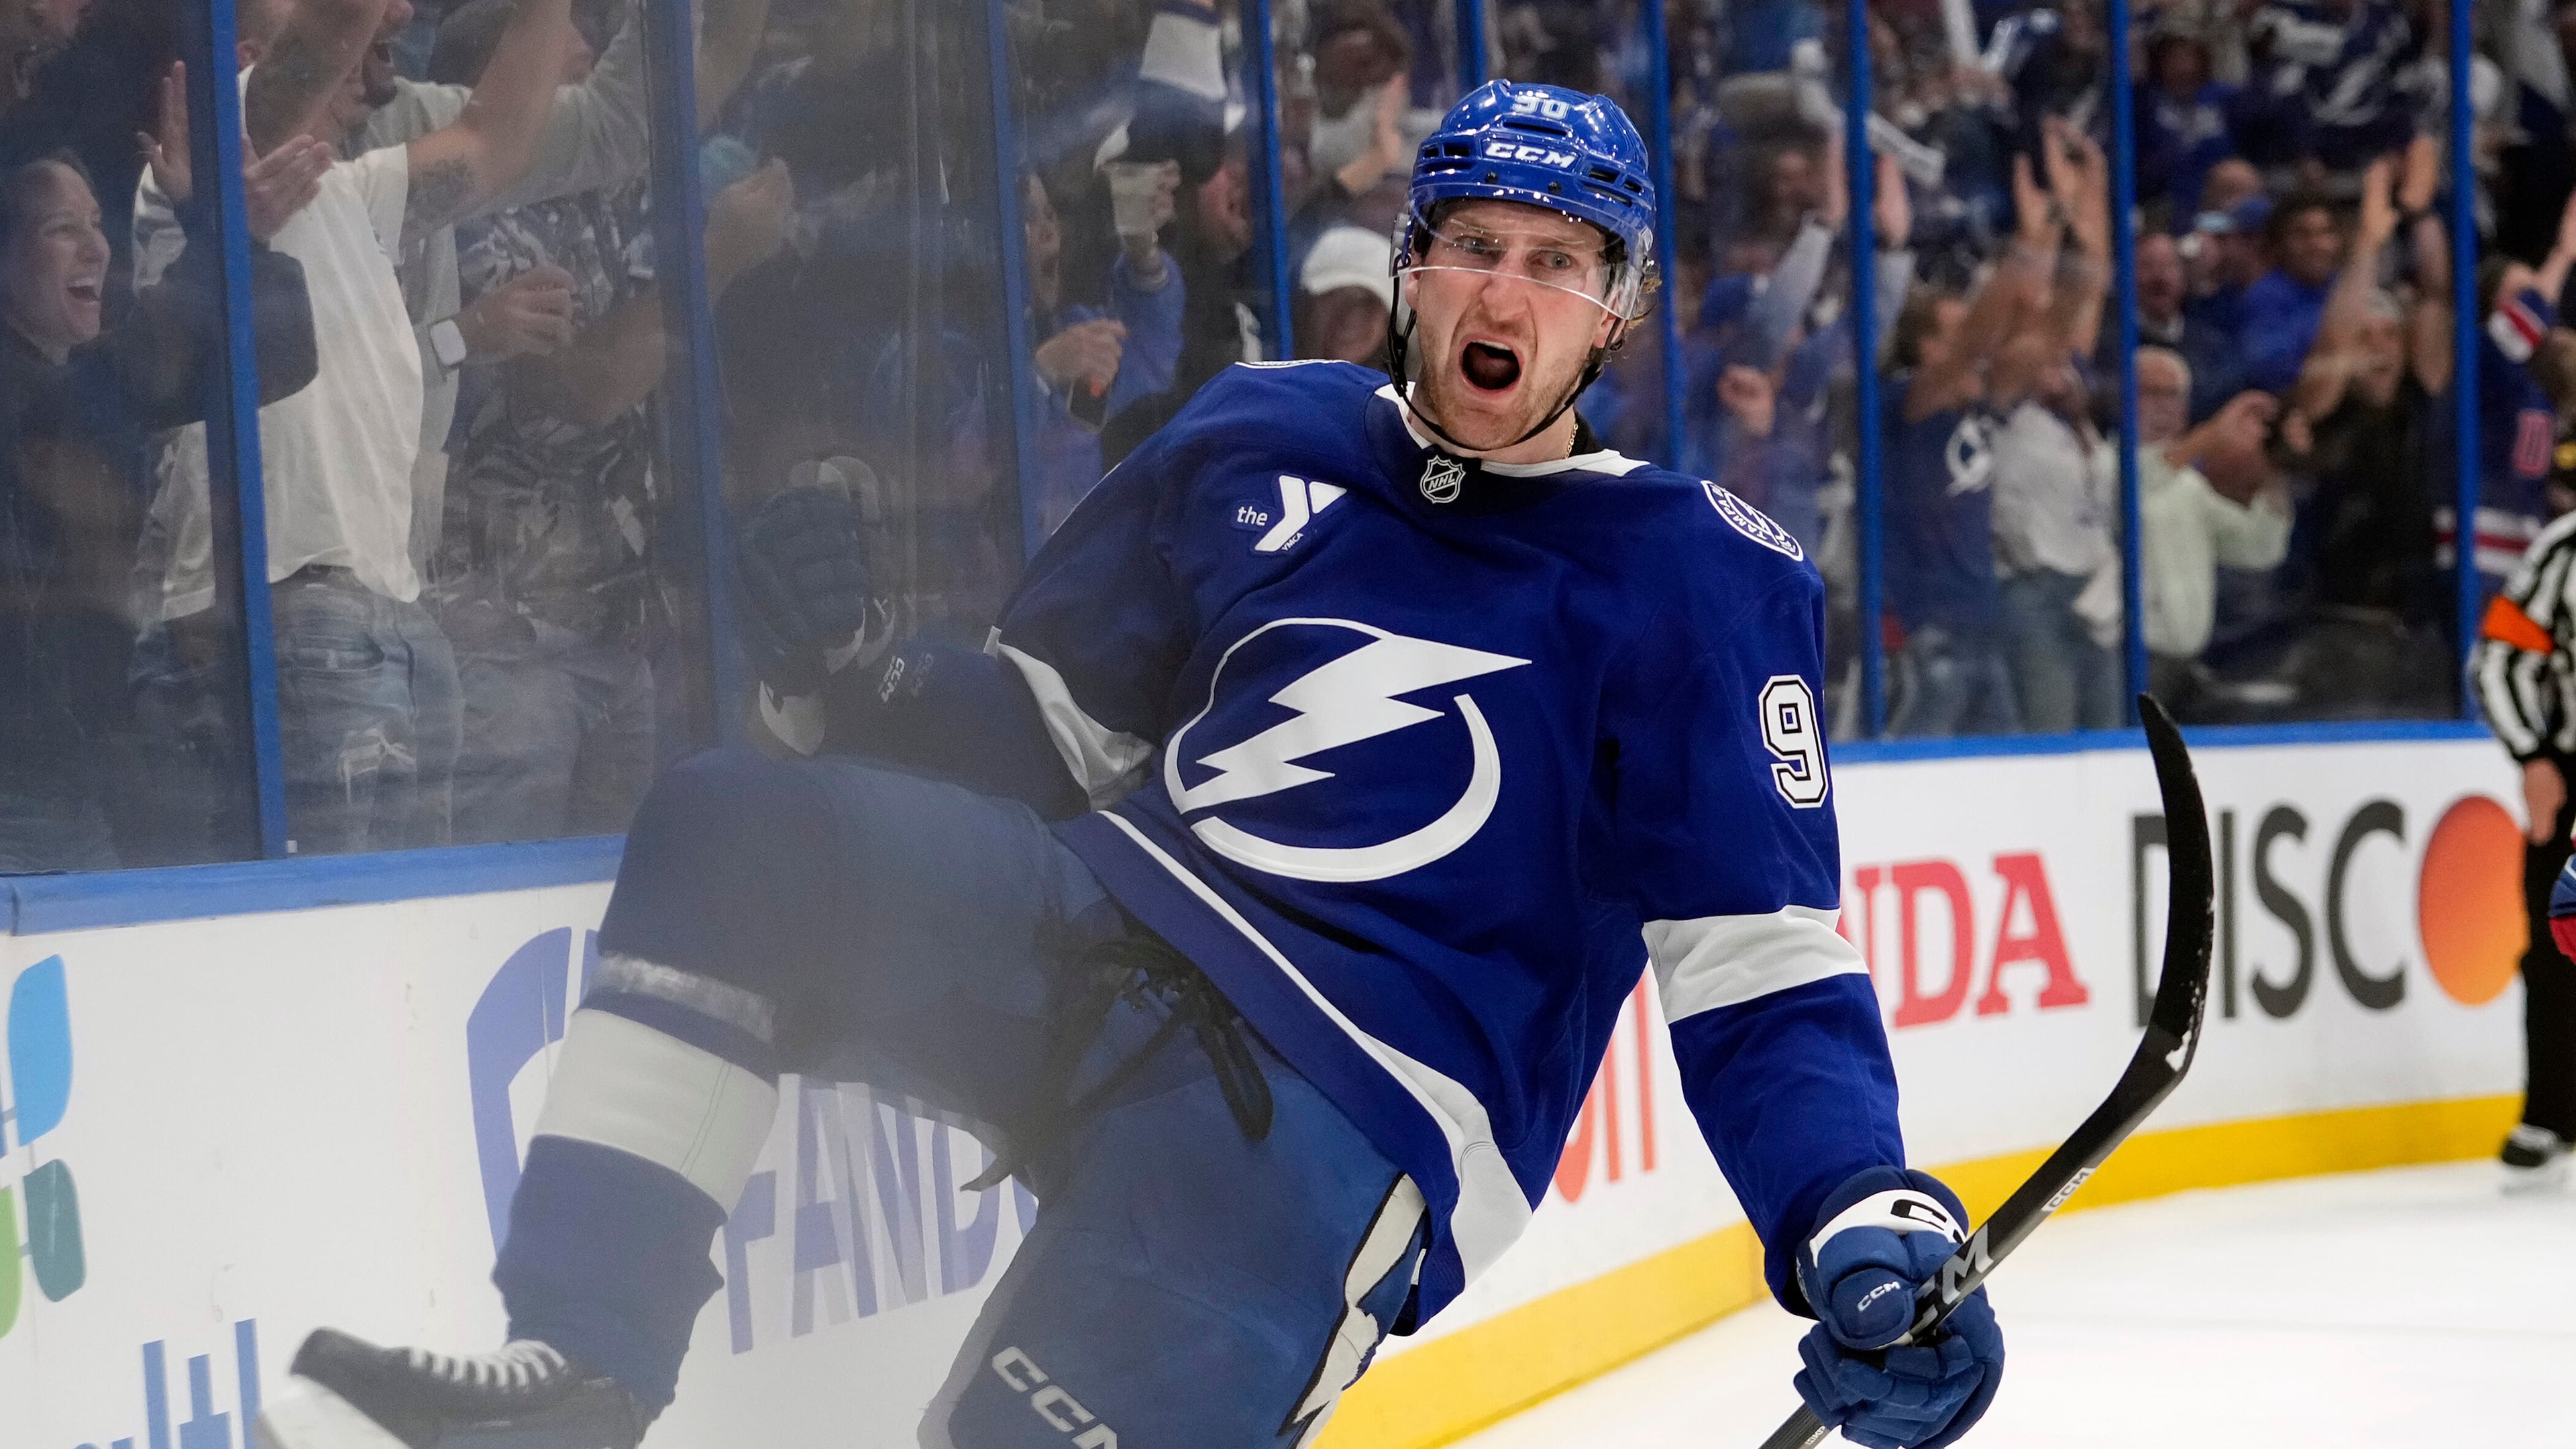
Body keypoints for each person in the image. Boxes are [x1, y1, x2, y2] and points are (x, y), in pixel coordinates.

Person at [254, 81, 2004, 1449]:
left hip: (1341, 1114)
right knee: (743, 830)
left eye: (1557, 262)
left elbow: (1758, 968)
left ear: (1613, 313)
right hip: (1098, 937)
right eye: (1473, 242)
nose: (1506, 288)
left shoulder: (1705, 575)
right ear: (1410, 269)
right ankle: (583, 1361)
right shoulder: (1260, 430)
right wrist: (855, 678)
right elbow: (1046, 736)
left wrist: (1854, 1205)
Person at [125, 0, 583, 857]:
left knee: (396, 935)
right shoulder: (217, 162)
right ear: (253, 56)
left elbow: (498, 140)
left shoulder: (353, 191)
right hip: (287, 604)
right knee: (321, 936)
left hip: (389, 608)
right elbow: (332, 27)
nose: (388, 28)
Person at [0, 139, 321, 868]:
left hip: (73, 775)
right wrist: (224, 234)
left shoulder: (69, 377)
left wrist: (219, 227)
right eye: (60, 228)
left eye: (95, 222)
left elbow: (270, 353)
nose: (95, 248)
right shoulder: (25, 389)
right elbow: (131, 375)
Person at [2471, 516, 2576, 1192]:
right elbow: (2499, 658)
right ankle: (2552, 1110)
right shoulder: (2567, 549)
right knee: (2558, 943)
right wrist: (2533, 756)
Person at [2133, 350, 2292, 713]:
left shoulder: (2189, 485)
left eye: (2174, 395)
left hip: (2184, 665)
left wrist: (2272, 466)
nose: (2164, 406)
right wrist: (2213, 434)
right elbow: (2144, 483)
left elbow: (2259, 548)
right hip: (2133, 662)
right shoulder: (2106, 466)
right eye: (2150, 393)